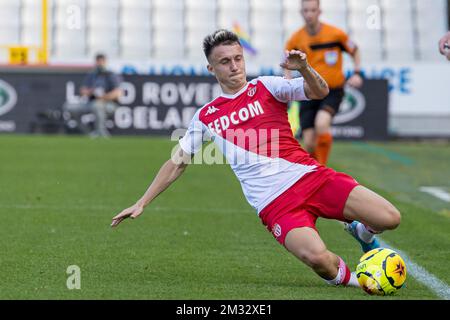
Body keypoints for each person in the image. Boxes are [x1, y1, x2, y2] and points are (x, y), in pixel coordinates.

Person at [111, 29, 401, 288]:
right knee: (318, 259)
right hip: (275, 204)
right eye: (225, 61)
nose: (235, 66)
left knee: (391, 218)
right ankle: (360, 283)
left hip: (311, 177)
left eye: (238, 58)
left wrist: (305, 68)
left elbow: (319, 91)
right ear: (211, 68)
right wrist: (141, 202)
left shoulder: (267, 87)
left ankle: (362, 232)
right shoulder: (206, 116)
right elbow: (177, 161)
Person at [284, 0, 363, 165]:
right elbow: (286, 61)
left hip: (332, 90)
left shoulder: (336, 34)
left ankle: (322, 169)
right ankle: (315, 173)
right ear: (301, 12)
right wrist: (288, 79)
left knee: (322, 123)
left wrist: (356, 73)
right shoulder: (296, 39)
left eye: (313, 10)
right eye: (306, 11)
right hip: (308, 91)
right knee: (309, 143)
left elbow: (355, 50)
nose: (309, 14)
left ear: (319, 11)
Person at [65, 53, 122, 137]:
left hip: (109, 104)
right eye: (98, 61)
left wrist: (103, 97)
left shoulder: (111, 75)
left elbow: (118, 93)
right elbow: (82, 90)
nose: (100, 63)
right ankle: (89, 133)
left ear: (105, 62)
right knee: (69, 107)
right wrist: (92, 92)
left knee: (97, 106)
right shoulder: (92, 75)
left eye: (102, 61)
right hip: (91, 102)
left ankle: (101, 134)